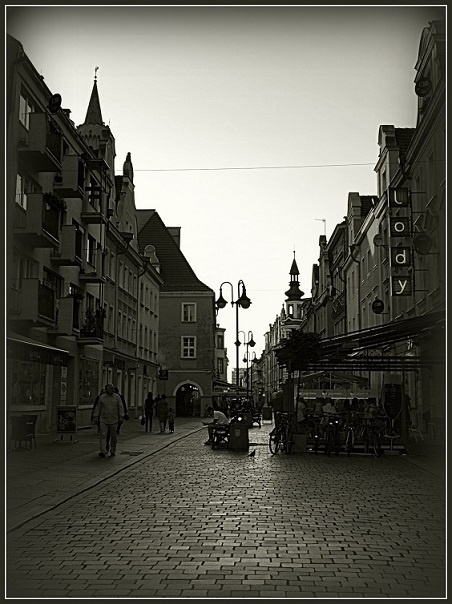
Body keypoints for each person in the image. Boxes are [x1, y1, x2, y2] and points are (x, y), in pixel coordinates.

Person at [92, 383, 124, 457]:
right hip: (103, 419)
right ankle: (103, 451)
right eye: (111, 389)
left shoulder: (117, 397)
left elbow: (120, 406)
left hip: (114, 419)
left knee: (113, 436)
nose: (113, 390)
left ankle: (113, 450)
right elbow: (98, 407)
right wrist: (96, 416)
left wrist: (121, 416)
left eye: (113, 388)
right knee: (103, 435)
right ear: (107, 390)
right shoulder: (102, 397)